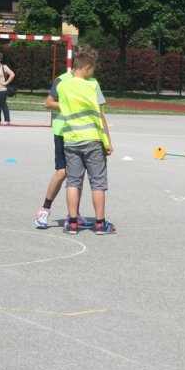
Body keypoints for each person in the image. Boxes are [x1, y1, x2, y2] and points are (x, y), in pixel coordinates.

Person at [56, 46, 115, 235]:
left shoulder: (62, 86)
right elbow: (100, 114)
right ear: (88, 67)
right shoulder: (92, 86)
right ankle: (100, 223)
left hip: (71, 139)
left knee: (73, 181)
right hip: (92, 139)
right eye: (93, 69)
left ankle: (72, 222)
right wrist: (107, 142)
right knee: (97, 183)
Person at [34, 67, 94, 230]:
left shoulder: (91, 82)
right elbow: (48, 102)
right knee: (62, 172)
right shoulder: (62, 80)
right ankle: (44, 209)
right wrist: (69, 106)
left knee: (77, 174)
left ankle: (73, 215)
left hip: (81, 132)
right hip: (63, 131)